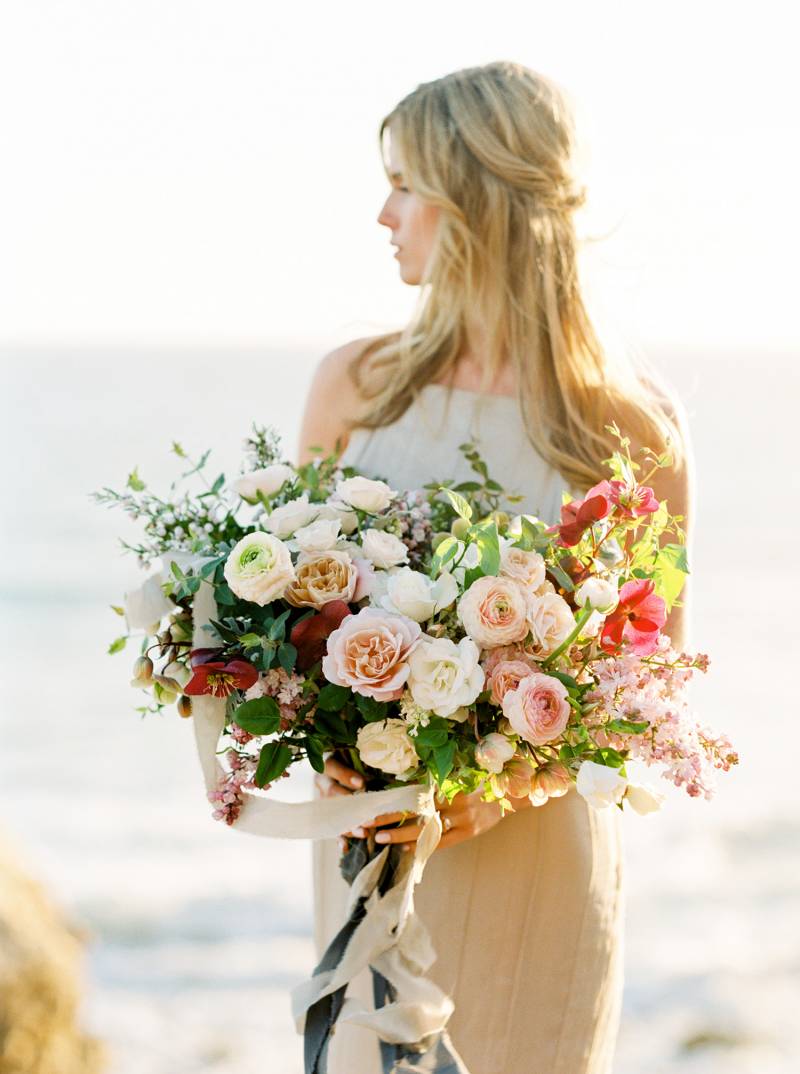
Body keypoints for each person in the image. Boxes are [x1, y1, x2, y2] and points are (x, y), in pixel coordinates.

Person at [296, 60, 693, 1074]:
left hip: (532, 862)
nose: (383, 214)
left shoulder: (622, 426)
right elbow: (292, 622)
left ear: (472, 203)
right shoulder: (356, 387)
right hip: (370, 850)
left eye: (405, 184)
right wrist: (318, 732)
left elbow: (646, 689)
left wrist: (499, 789)